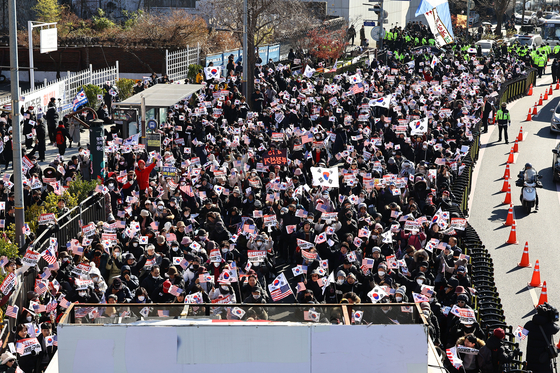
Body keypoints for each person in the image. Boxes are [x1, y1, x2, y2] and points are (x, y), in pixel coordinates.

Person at [524, 303, 560, 373]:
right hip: (543, 360)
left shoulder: (529, 324)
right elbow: (557, 328)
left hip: (531, 359)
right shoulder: (550, 327)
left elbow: (518, 335)